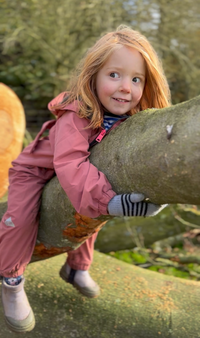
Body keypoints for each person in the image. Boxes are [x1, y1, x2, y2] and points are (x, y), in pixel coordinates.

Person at [0, 25, 171, 333]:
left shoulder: (128, 121)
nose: (125, 87)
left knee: (88, 214)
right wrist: (110, 201)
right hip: (36, 172)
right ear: (93, 76)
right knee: (21, 218)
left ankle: (77, 268)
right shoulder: (75, 114)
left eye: (136, 79)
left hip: (78, 177)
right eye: (114, 75)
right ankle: (11, 280)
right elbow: (70, 163)